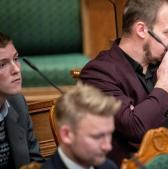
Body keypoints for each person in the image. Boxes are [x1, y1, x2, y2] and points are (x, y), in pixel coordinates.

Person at [80, 0, 168, 165]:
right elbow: (135, 128)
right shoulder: (98, 74)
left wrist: (150, 141)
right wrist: (165, 84)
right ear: (142, 30)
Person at [42, 82, 121, 169]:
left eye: (109, 134)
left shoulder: (109, 167)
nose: (108, 146)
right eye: (97, 137)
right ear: (66, 134)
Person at [0, 32, 44, 168]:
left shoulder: (17, 103)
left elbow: (35, 163)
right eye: (2, 65)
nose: (16, 69)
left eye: (16, 58)